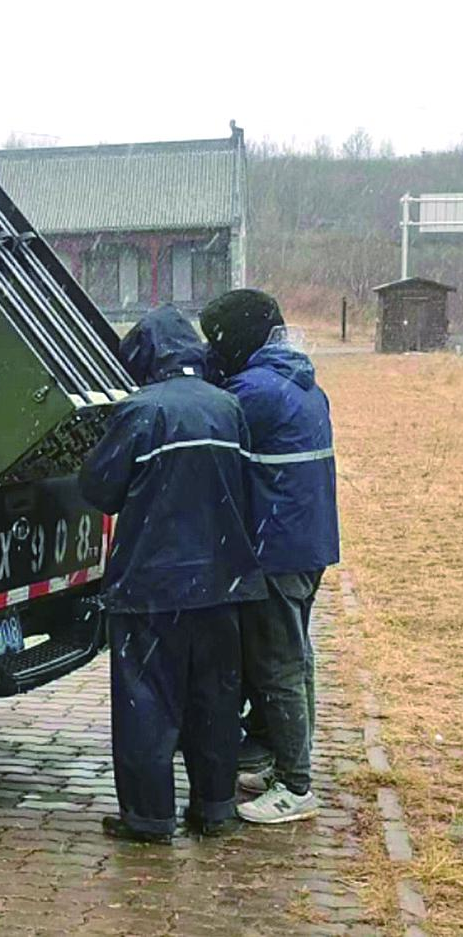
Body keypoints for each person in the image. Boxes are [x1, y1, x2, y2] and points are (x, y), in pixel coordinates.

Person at [80, 305, 266, 843]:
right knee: (215, 699)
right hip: (222, 583)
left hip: (152, 586)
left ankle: (150, 816)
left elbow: (99, 490)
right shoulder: (229, 409)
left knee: (148, 702)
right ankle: (215, 806)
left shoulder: (141, 412)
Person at [200, 289, 340, 825]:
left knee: (277, 665)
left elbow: (212, 427)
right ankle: (286, 766)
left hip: (277, 550)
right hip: (309, 544)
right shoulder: (301, 382)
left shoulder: (253, 392)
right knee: (296, 657)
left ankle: (296, 786)